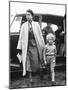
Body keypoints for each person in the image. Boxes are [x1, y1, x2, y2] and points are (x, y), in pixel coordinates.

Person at [17, 9, 45, 83]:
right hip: (27, 47)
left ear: (32, 16)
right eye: (26, 15)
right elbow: (21, 37)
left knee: (37, 62)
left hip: (35, 47)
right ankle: (30, 79)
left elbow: (40, 36)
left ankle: (41, 72)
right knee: (28, 63)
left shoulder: (36, 24)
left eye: (29, 14)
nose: (27, 16)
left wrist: (43, 45)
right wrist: (19, 47)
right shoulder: (23, 25)